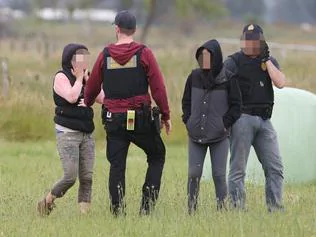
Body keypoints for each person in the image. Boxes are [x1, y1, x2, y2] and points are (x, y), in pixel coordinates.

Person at [84, 10, 171, 216]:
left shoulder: (105, 55)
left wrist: (87, 102)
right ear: (134, 30)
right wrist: (166, 115)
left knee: (117, 165)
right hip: (140, 119)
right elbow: (158, 88)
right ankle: (146, 209)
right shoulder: (144, 53)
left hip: (113, 120)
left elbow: (93, 86)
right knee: (157, 155)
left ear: (116, 29)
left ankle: (117, 213)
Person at [37, 43, 104, 216]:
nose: (85, 64)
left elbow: (103, 98)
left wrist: (90, 82)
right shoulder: (61, 77)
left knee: (87, 177)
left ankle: (84, 215)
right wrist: (79, 79)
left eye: (86, 60)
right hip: (67, 134)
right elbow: (72, 97)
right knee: (70, 177)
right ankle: (47, 201)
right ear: (70, 61)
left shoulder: (87, 77)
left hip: (87, 134)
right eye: (81, 60)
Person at [225, 24, 286, 212]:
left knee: (275, 167)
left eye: (255, 40)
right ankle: (237, 209)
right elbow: (221, 88)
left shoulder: (269, 61)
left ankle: (275, 208)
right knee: (238, 169)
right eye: (248, 39)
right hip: (242, 119)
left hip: (265, 121)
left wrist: (266, 60)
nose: (251, 44)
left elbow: (280, 82)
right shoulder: (233, 61)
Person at [182, 39, 241, 214]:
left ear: (216, 57)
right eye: (202, 56)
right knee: (194, 174)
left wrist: (225, 124)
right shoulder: (193, 77)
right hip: (195, 135)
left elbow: (236, 106)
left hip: (220, 136)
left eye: (208, 56)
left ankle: (221, 210)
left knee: (219, 175)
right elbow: (186, 101)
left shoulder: (229, 78)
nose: (204, 59)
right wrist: (188, 120)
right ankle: (191, 210)